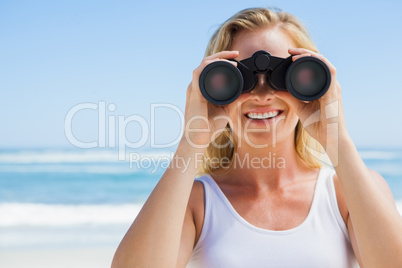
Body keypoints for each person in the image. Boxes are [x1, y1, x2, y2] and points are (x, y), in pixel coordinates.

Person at [111, 7, 402, 268]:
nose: (263, 94)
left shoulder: (348, 193)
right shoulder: (195, 203)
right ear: (213, 88)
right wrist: (192, 141)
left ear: (313, 81)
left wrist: (338, 142)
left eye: (285, 76)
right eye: (240, 79)